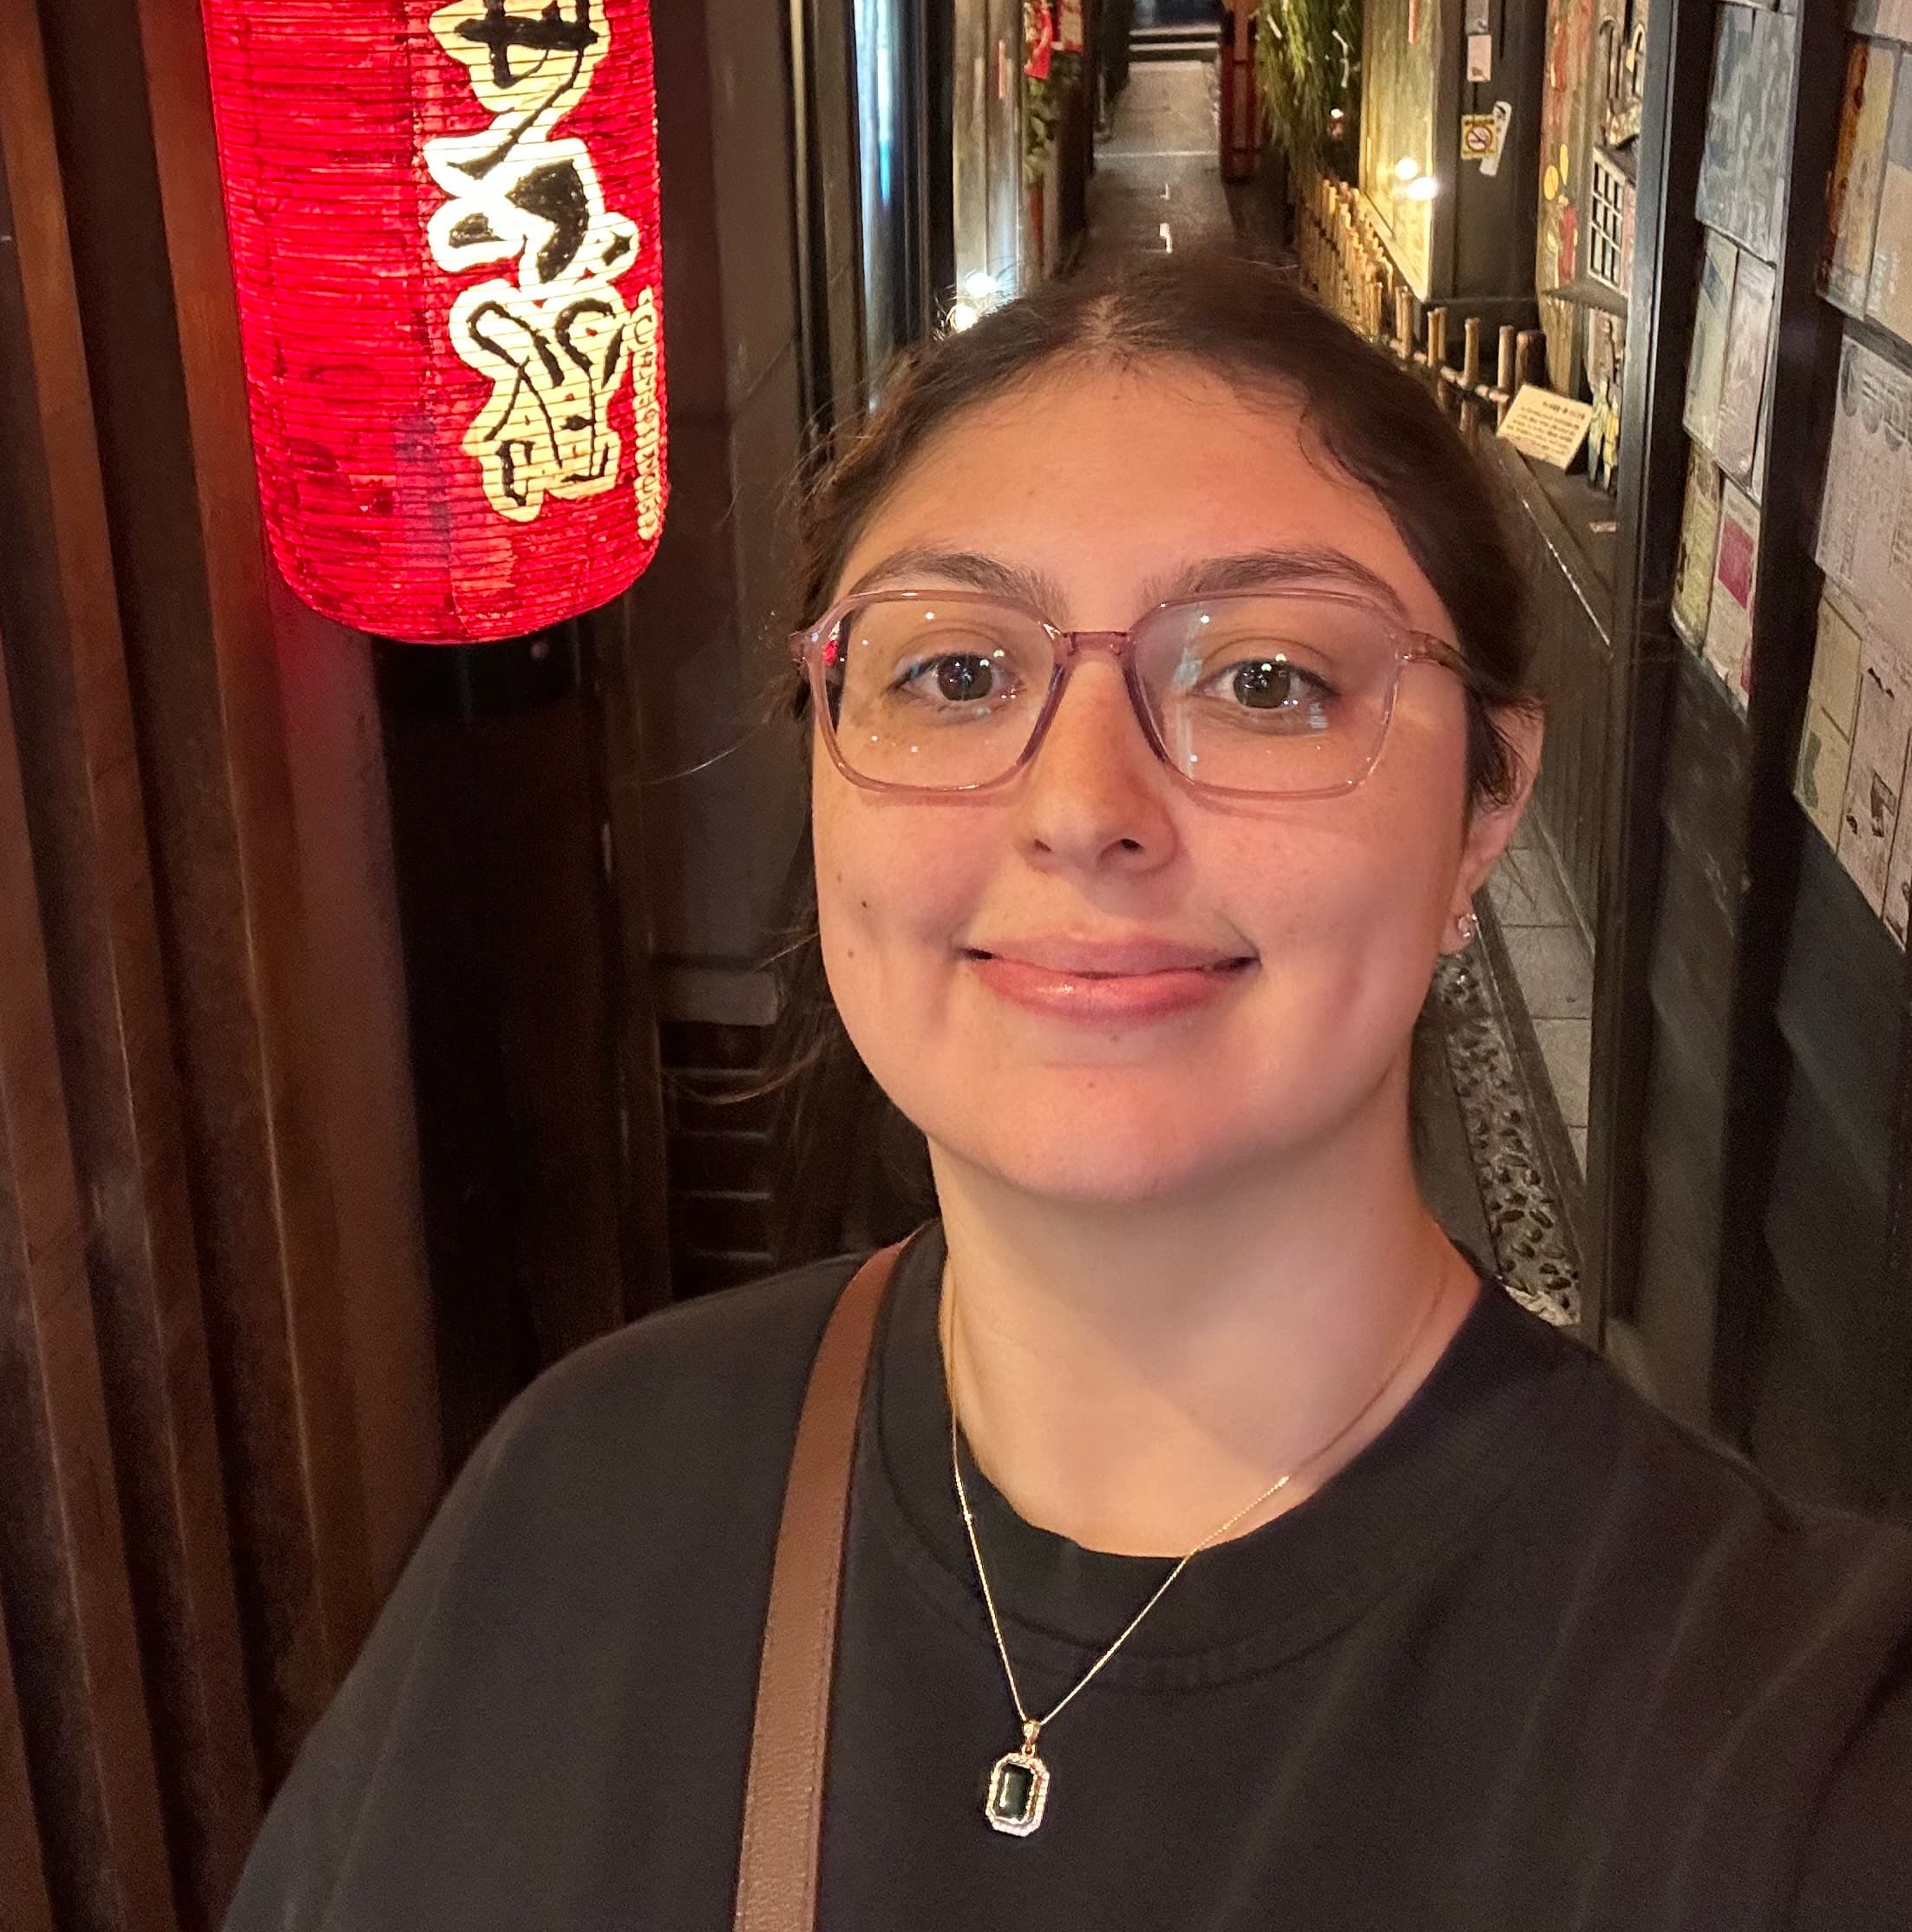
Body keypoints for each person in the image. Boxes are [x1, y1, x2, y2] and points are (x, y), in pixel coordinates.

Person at [226, 256, 1912, 1931]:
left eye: (1264, 678)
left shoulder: (1788, 1755)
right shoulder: (579, 1504)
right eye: (956, 671)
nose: (1084, 807)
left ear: (1488, 804)